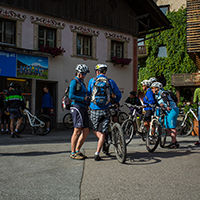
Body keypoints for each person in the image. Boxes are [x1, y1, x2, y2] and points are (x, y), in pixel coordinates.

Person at [87, 64, 122, 161]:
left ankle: (102, 143)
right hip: (106, 108)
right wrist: (115, 101)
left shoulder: (92, 81)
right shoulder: (110, 81)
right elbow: (118, 94)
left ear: (97, 71)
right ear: (105, 72)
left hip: (94, 108)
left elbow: (89, 94)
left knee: (95, 129)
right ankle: (97, 152)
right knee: (103, 132)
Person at [69, 64, 90, 160]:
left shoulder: (82, 83)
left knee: (86, 130)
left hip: (83, 107)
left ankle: (77, 150)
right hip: (77, 107)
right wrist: (83, 98)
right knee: (77, 130)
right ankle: (73, 152)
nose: (84, 75)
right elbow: (71, 95)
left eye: (85, 73)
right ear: (78, 72)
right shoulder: (74, 82)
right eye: (82, 73)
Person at [151, 82, 180, 148]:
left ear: (157, 88)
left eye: (153, 88)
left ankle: (173, 143)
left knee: (172, 127)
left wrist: (167, 106)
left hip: (172, 110)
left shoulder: (163, 93)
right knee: (166, 128)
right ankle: (175, 142)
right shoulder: (157, 95)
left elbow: (166, 99)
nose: (152, 89)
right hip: (167, 112)